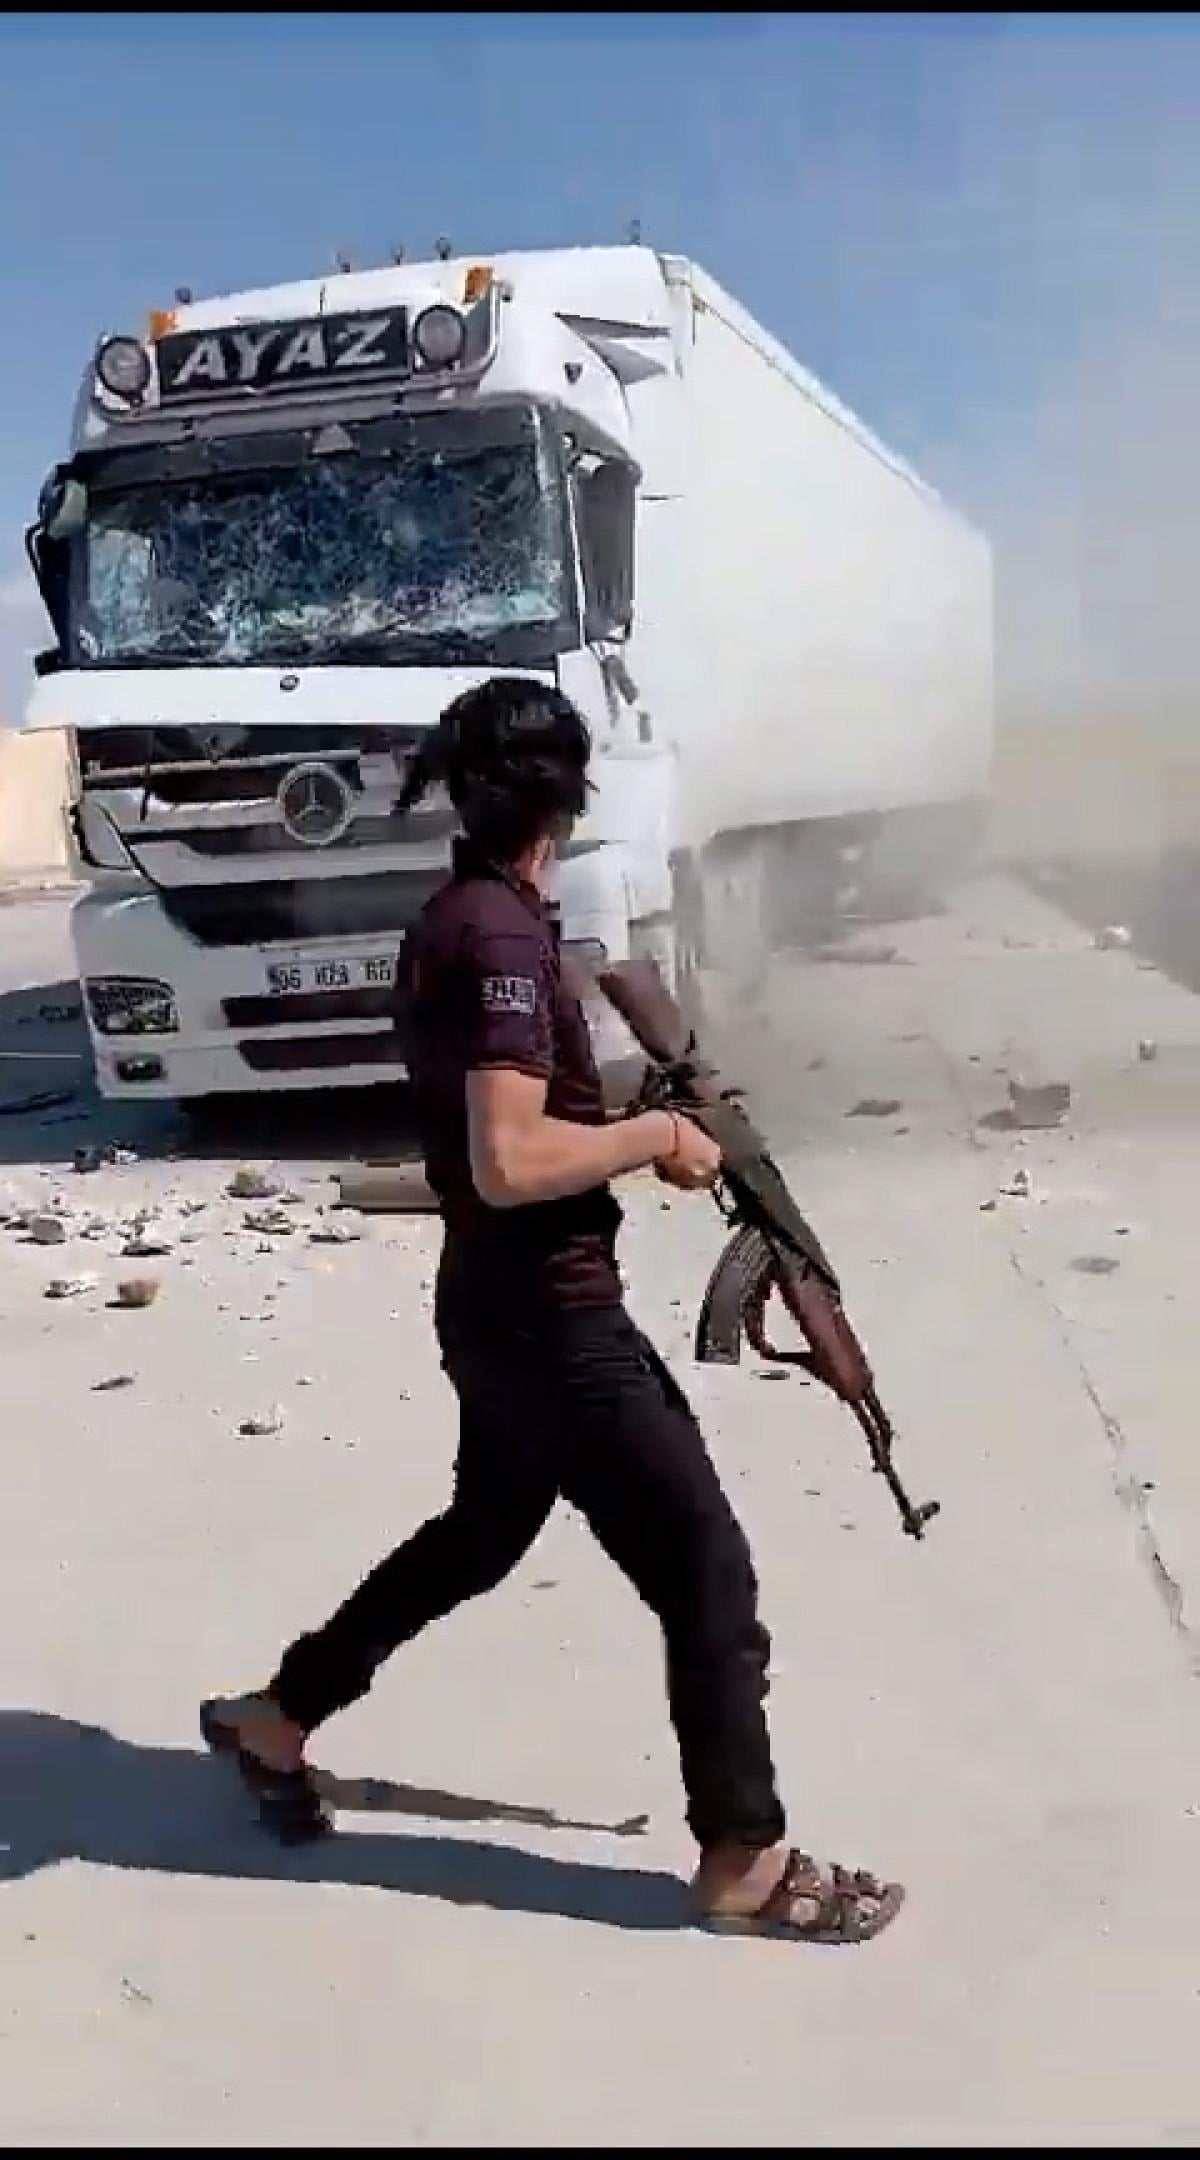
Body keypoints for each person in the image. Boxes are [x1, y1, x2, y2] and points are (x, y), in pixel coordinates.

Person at [202, 676, 903, 1943]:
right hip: (551, 1321)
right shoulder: (503, 942)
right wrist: (653, 1136)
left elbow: (507, 1116)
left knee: (479, 1536)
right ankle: (744, 1860)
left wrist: (643, 1110)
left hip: (492, 1307)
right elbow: (509, 1158)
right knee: (706, 1573)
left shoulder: (461, 917)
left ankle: (279, 1716)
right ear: (567, 801)